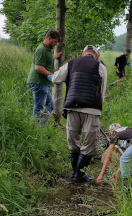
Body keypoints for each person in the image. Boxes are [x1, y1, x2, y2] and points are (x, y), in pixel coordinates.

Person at [51, 45, 107, 182]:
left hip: (72, 106)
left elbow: (55, 79)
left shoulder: (71, 63)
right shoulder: (100, 66)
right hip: (91, 108)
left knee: (73, 141)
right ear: (97, 56)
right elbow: (102, 91)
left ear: (83, 54)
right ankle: (79, 174)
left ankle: (76, 173)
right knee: (90, 143)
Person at [27, 29, 62, 128]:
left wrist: (54, 56)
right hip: (39, 82)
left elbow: (45, 58)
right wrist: (51, 75)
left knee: (50, 105)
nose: (55, 44)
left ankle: (39, 126)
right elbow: (38, 67)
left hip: (43, 83)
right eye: (55, 41)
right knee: (39, 107)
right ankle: (34, 130)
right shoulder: (41, 49)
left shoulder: (46, 50)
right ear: (49, 38)